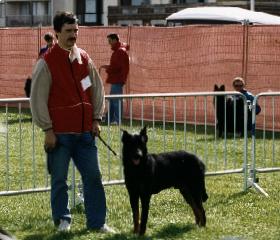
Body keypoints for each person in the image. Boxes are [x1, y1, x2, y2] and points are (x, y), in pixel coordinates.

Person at [30, 11, 114, 233]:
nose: (73, 35)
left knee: (94, 178)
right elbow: (37, 98)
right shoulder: (46, 62)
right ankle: (63, 221)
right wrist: (47, 129)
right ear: (57, 33)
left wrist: (96, 118)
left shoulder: (84, 59)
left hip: (85, 133)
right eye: (68, 31)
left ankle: (97, 223)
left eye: (76, 30)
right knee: (59, 181)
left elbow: (95, 91)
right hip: (59, 135)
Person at [100, 33, 129, 124]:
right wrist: (108, 66)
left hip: (117, 80)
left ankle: (117, 120)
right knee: (112, 100)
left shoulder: (119, 51)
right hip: (116, 80)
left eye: (110, 41)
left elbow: (116, 67)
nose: (109, 43)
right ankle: (110, 119)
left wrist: (108, 68)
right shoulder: (119, 51)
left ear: (114, 40)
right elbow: (116, 66)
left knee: (116, 101)